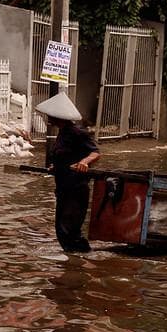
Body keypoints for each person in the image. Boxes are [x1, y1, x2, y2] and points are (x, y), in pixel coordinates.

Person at [36, 92, 101, 252]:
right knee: (61, 230)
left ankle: (83, 259)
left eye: (50, 114)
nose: (47, 117)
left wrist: (84, 162)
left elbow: (95, 152)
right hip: (63, 188)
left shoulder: (77, 132)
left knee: (69, 230)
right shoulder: (62, 134)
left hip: (76, 188)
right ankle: (74, 260)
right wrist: (55, 167)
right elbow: (64, 157)